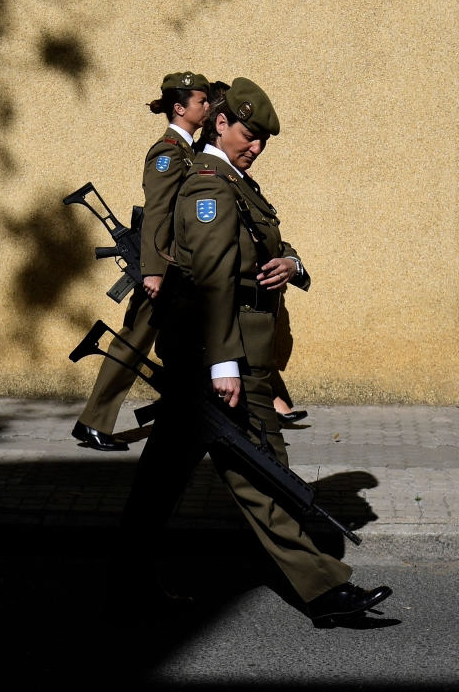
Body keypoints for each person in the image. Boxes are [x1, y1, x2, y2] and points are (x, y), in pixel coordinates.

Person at [121, 78, 391, 625]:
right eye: (250, 133)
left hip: (237, 356)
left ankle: (128, 586)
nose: (258, 145)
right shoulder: (209, 186)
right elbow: (216, 278)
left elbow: (269, 244)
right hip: (221, 359)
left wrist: (291, 264)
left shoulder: (240, 185)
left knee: (178, 481)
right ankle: (322, 591)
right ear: (221, 123)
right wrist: (223, 364)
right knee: (260, 473)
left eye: (265, 138)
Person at [72, 71, 210, 450]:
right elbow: (158, 214)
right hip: (161, 271)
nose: (207, 107)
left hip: (175, 268)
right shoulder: (168, 152)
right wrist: (152, 270)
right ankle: (94, 423)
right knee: (132, 345)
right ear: (180, 108)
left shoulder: (189, 152)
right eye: (201, 101)